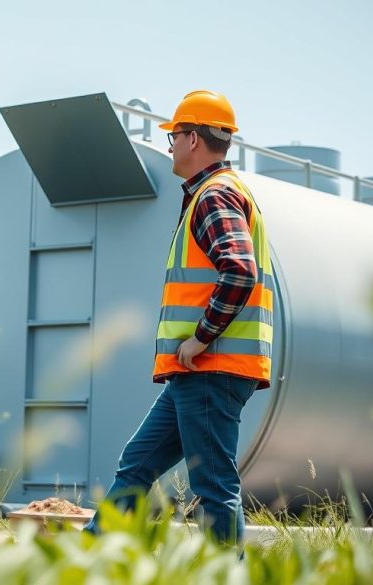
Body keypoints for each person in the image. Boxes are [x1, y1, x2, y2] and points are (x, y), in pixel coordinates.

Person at [83, 90, 274, 546]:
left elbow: (240, 270)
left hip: (212, 367)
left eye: (173, 137)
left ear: (192, 139)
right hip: (198, 373)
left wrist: (201, 338)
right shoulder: (216, 194)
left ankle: (226, 575)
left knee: (212, 486)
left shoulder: (214, 197)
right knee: (139, 461)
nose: (170, 146)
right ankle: (90, 556)